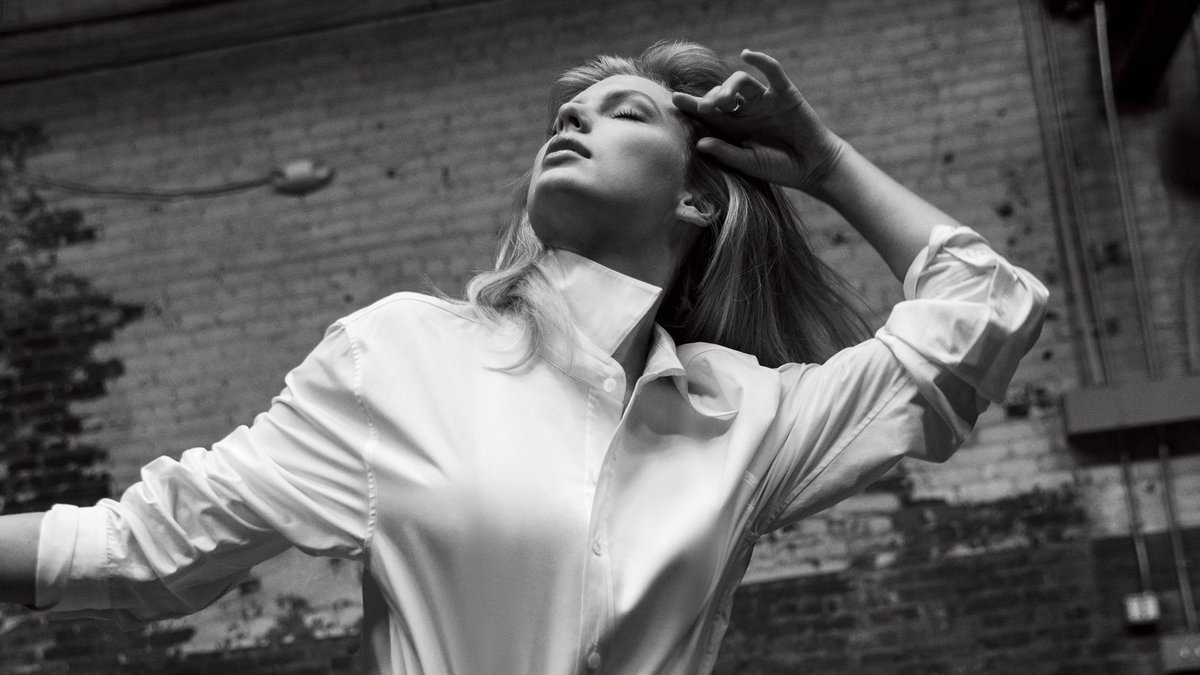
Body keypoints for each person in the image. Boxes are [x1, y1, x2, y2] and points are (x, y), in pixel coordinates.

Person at [0, 40, 1047, 674]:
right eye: (567, 114)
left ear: (696, 197)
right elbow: (143, 548)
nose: (574, 119)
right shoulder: (399, 356)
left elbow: (985, 307)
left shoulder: (749, 418)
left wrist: (825, 163)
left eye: (624, 113)